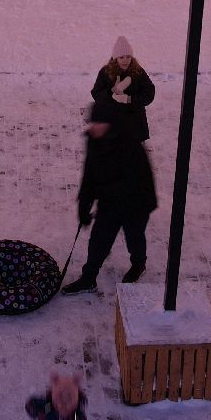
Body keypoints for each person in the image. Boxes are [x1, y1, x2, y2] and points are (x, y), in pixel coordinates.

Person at [62, 98, 157, 293]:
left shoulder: (129, 144)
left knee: (134, 237)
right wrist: (84, 206)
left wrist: (107, 196)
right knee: (99, 240)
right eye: (93, 123)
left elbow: (139, 180)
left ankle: (138, 264)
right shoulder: (95, 141)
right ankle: (88, 278)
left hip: (136, 203)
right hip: (111, 202)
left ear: (110, 123)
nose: (95, 127)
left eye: (99, 123)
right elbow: (90, 175)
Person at [91, 35, 155, 143]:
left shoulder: (138, 72)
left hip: (134, 125)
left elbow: (149, 93)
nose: (125, 60)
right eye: (121, 57)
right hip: (113, 124)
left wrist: (130, 99)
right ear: (115, 58)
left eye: (128, 57)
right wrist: (111, 91)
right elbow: (96, 94)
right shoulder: (105, 72)